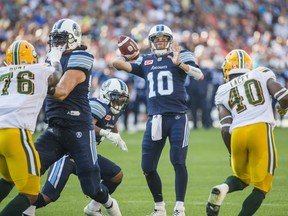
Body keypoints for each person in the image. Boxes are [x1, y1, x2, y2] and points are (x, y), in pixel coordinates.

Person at [23, 18, 121, 216]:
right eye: (55, 39)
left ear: (74, 38)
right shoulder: (52, 58)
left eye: (62, 38)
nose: (58, 43)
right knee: (28, 171)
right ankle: (27, 211)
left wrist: (42, 77)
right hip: (55, 129)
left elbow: (60, 92)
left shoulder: (81, 56)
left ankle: (111, 206)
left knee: (92, 188)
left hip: (78, 129)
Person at [112, 24, 204, 216]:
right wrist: (130, 55)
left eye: (164, 39)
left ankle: (180, 208)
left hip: (177, 117)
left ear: (170, 41)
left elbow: (199, 75)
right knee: (147, 166)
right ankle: (160, 207)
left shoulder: (181, 55)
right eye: (157, 39)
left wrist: (180, 64)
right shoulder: (146, 61)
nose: (160, 42)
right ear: (151, 42)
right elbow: (117, 64)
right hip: (155, 119)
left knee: (178, 161)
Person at [23, 78, 129, 216]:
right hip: (66, 155)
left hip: (85, 155)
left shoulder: (113, 110)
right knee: (47, 197)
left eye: (121, 100)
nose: (118, 103)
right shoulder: (98, 105)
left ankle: (93, 208)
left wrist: (117, 135)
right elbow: (87, 125)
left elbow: (111, 120)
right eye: (116, 99)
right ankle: (26, 209)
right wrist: (106, 134)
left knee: (116, 175)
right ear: (106, 95)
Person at [206, 49, 288, 216]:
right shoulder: (261, 72)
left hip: (236, 134)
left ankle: (222, 188)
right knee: (262, 186)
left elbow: (225, 128)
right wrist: (282, 108)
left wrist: (232, 153)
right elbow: (284, 97)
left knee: (241, 178)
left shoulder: (222, 90)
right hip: (259, 129)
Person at [0, 39, 63, 216]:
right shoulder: (39, 69)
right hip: (16, 133)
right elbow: (57, 76)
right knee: (30, 193)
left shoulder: (2, 72)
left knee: (8, 179)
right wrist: (56, 58)